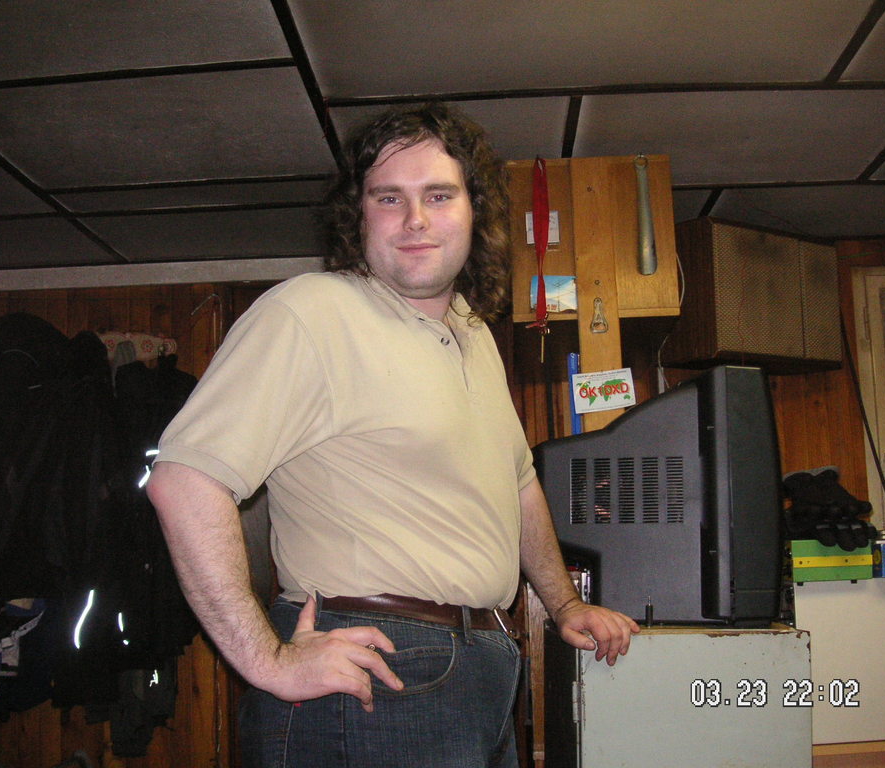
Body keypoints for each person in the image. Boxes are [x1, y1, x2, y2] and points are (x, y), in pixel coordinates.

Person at [146, 102, 639, 768]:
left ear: (474, 212)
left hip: (485, 665)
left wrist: (564, 604)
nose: (415, 220)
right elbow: (183, 480)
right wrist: (267, 660)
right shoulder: (312, 311)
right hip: (372, 671)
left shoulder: (473, 335)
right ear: (358, 216)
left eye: (438, 195)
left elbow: (519, 486)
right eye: (388, 198)